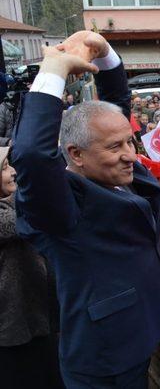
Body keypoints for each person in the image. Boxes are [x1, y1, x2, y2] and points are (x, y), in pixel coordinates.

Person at [12, 31, 160, 387]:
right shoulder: (60, 207)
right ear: (76, 155)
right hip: (105, 366)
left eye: (130, 141)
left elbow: (115, 114)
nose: (131, 153)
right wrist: (53, 69)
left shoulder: (110, 168)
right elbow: (34, 155)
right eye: (117, 147)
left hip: (137, 344)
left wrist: (105, 54)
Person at [0, 147, 63, 388]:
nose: (14, 172)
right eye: (5, 168)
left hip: (40, 322)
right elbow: (23, 221)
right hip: (12, 334)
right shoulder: (9, 217)